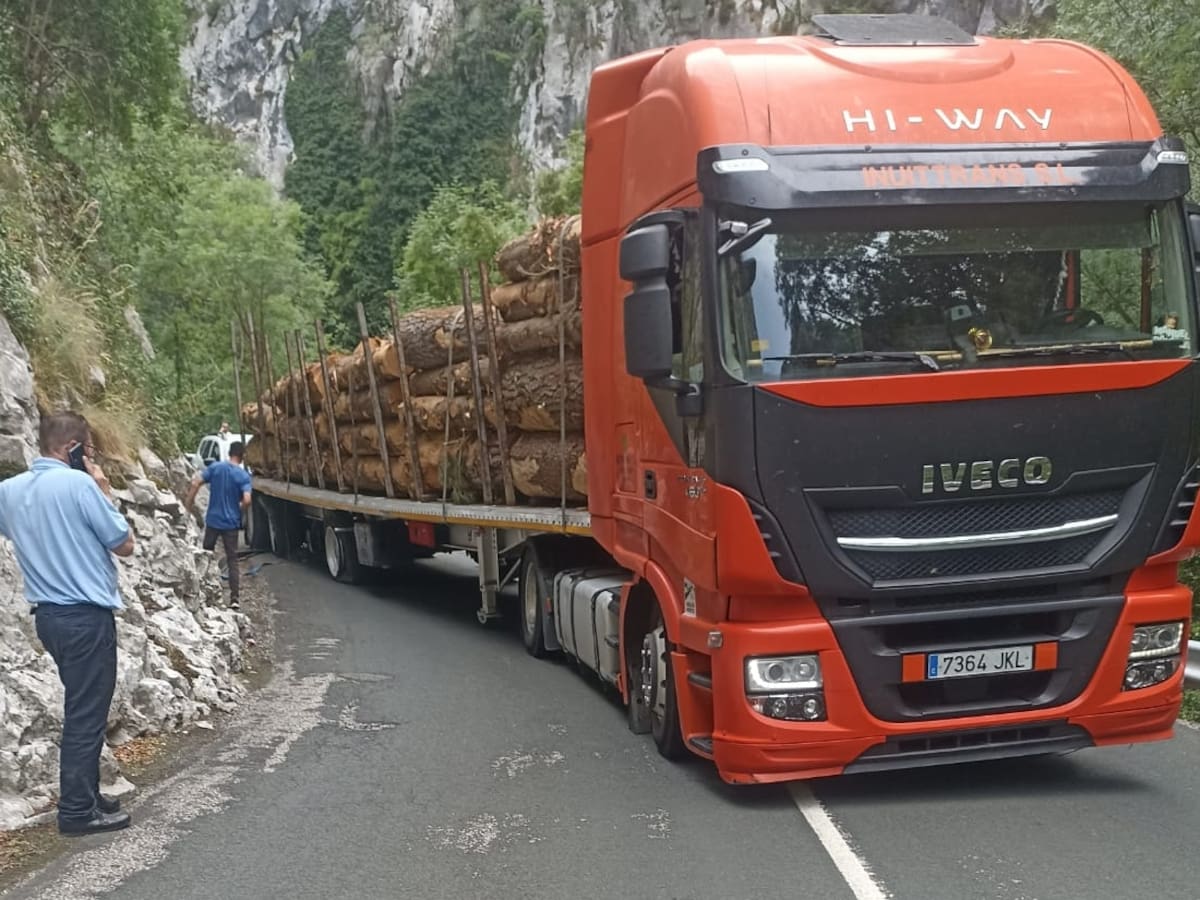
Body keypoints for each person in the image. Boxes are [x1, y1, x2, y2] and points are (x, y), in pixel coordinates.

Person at [0, 412, 135, 836]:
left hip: (49, 618)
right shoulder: (80, 485)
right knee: (86, 715)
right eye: (89, 450)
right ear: (73, 448)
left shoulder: (9, 490)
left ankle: (89, 794)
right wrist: (103, 488)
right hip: (85, 617)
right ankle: (77, 810)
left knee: (82, 707)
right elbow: (124, 544)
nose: (92, 458)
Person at [185, 441, 251, 607]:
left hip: (213, 520)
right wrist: (240, 508)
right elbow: (248, 499)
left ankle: (201, 591)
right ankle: (234, 599)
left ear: (229, 453)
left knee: (205, 555)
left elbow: (195, 482)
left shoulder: (215, 468)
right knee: (232, 559)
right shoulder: (243, 476)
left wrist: (188, 504)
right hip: (231, 523)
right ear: (242, 456)